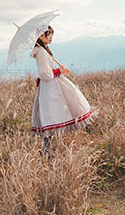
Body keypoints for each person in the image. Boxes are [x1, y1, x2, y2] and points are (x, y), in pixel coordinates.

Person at [30, 26, 94, 154]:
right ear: (41, 36)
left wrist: (60, 71)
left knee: (54, 115)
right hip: (49, 88)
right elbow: (46, 75)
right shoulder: (41, 52)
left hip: (52, 86)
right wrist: (59, 70)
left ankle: (50, 150)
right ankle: (47, 152)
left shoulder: (44, 50)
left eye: (52, 34)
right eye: (48, 34)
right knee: (51, 117)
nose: (51, 37)